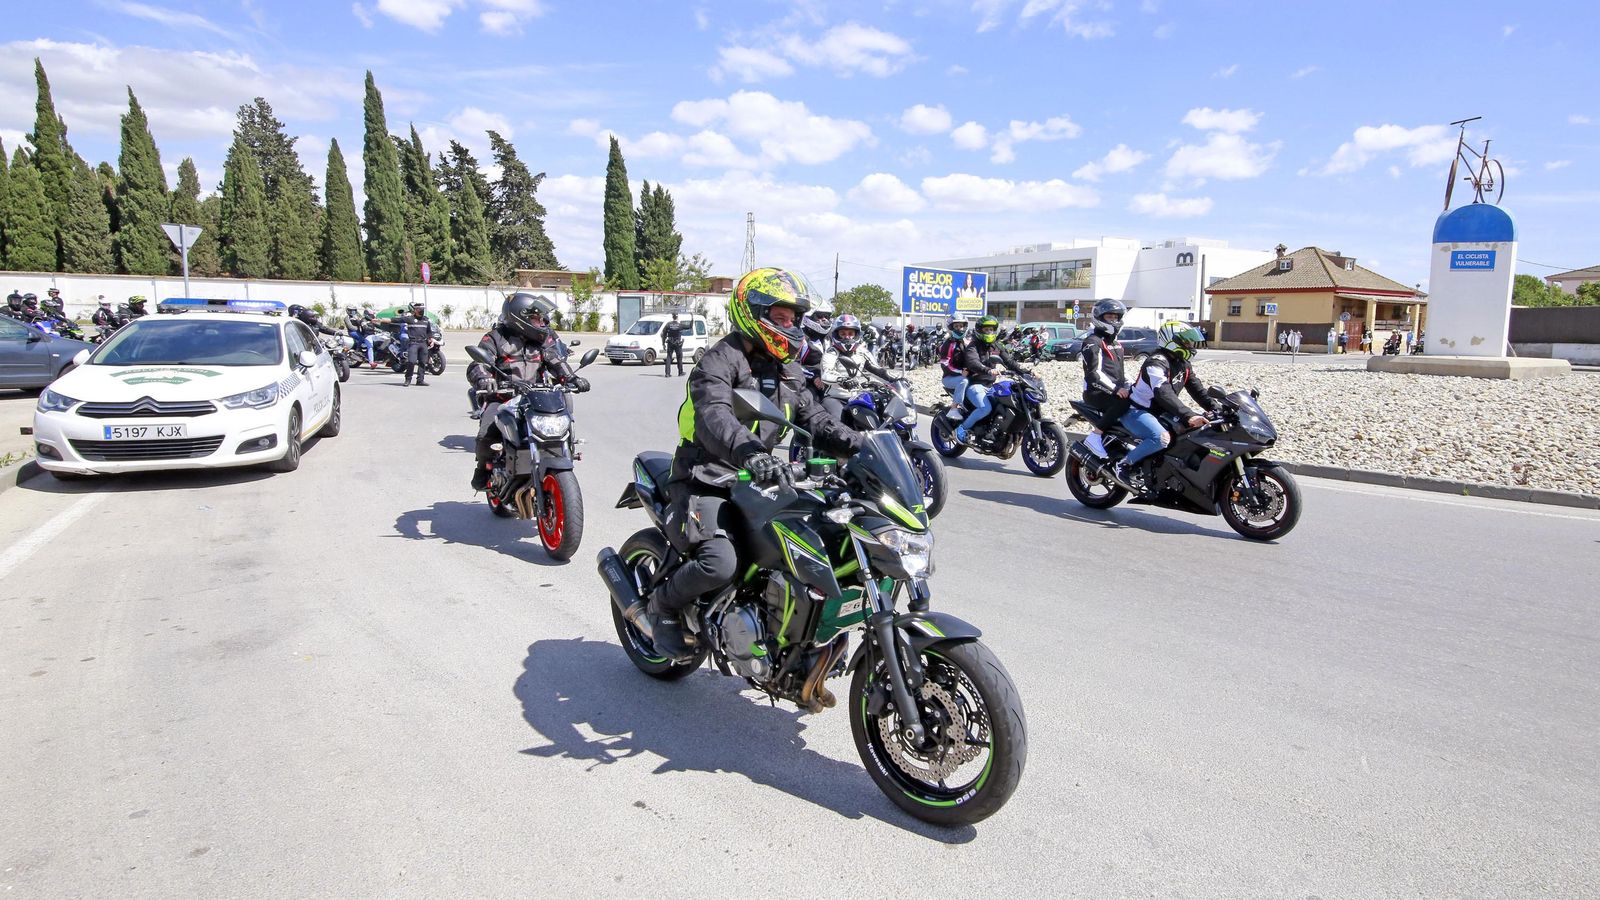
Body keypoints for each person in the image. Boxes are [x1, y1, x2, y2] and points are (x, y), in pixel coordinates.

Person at [643, 267, 862, 659]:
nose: (790, 325)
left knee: (818, 542)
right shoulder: (717, 362)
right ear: (752, 312)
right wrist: (751, 453)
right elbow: (715, 417)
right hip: (705, 477)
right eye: (780, 317)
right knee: (720, 562)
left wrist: (859, 444)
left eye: (793, 318)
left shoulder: (788, 370)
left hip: (757, 480)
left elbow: (814, 418)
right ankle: (663, 608)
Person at [466, 293, 591, 490]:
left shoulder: (544, 340)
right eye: (536, 318)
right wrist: (485, 379)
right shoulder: (495, 338)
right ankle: (483, 467)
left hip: (536, 398)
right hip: (503, 397)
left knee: (564, 425)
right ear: (520, 317)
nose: (541, 322)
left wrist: (572, 378)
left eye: (541, 318)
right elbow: (478, 364)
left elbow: (556, 361)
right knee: (486, 434)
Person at [1114, 321, 1218, 495]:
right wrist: (1188, 415)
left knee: (1195, 435)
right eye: (1186, 341)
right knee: (1160, 438)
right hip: (1137, 410)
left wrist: (1217, 408)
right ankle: (1124, 465)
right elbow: (1163, 392)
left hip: (1160, 411)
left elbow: (1198, 391)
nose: (1190, 345)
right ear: (1171, 340)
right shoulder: (1156, 363)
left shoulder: (1183, 364)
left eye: (1190, 342)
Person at [954, 315, 1028, 445]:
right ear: (980, 330)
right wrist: (987, 370)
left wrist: (1027, 372)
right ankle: (962, 429)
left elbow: (1009, 361)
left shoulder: (996, 346)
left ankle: (996, 431)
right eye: (986, 330)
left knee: (1011, 401)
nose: (989, 332)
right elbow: (973, 363)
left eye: (991, 330)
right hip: (975, 385)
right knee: (985, 408)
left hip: (991, 385)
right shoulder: (973, 346)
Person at [1079, 299, 1131, 459]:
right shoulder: (1092, 342)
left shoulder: (1115, 343)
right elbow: (1094, 374)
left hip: (1113, 391)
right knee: (1123, 402)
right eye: (1109, 317)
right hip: (1096, 393)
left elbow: (1121, 372)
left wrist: (1132, 385)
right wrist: (1116, 389)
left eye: (1116, 317)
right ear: (1099, 318)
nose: (1114, 320)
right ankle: (1095, 435)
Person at [937, 314, 970, 407]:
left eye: (961, 326)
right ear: (951, 327)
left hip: (964, 374)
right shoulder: (948, 344)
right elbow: (945, 364)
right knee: (964, 381)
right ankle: (954, 407)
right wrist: (960, 372)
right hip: (949, 377)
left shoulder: (967, 342)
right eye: (956, 326)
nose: (959, 328)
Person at [400, 301, 434, 386]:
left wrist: (431, 339)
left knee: (423, 362)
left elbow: (429, 331)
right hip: (413, 343)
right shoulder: (410, 319)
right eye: (419, 309)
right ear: (415, 310)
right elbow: (395, 320)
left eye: (422, 309)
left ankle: (420, 380)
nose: (421, 311)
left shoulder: (426, 320)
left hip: (423, 343)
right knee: (411, 361)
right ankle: (408, 379)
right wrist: (381, 320)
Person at [661, 311, 687, 377]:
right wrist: (692, 319)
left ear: (672, 317)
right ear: (677, 317)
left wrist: (663, 343)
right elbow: (689, 326)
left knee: (669, 357)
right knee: (679, 357)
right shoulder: (680, 325)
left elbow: (663, 334)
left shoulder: (668, 324)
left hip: (670, 342)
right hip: (678, 343)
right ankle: (680, 372)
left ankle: (667, 373)